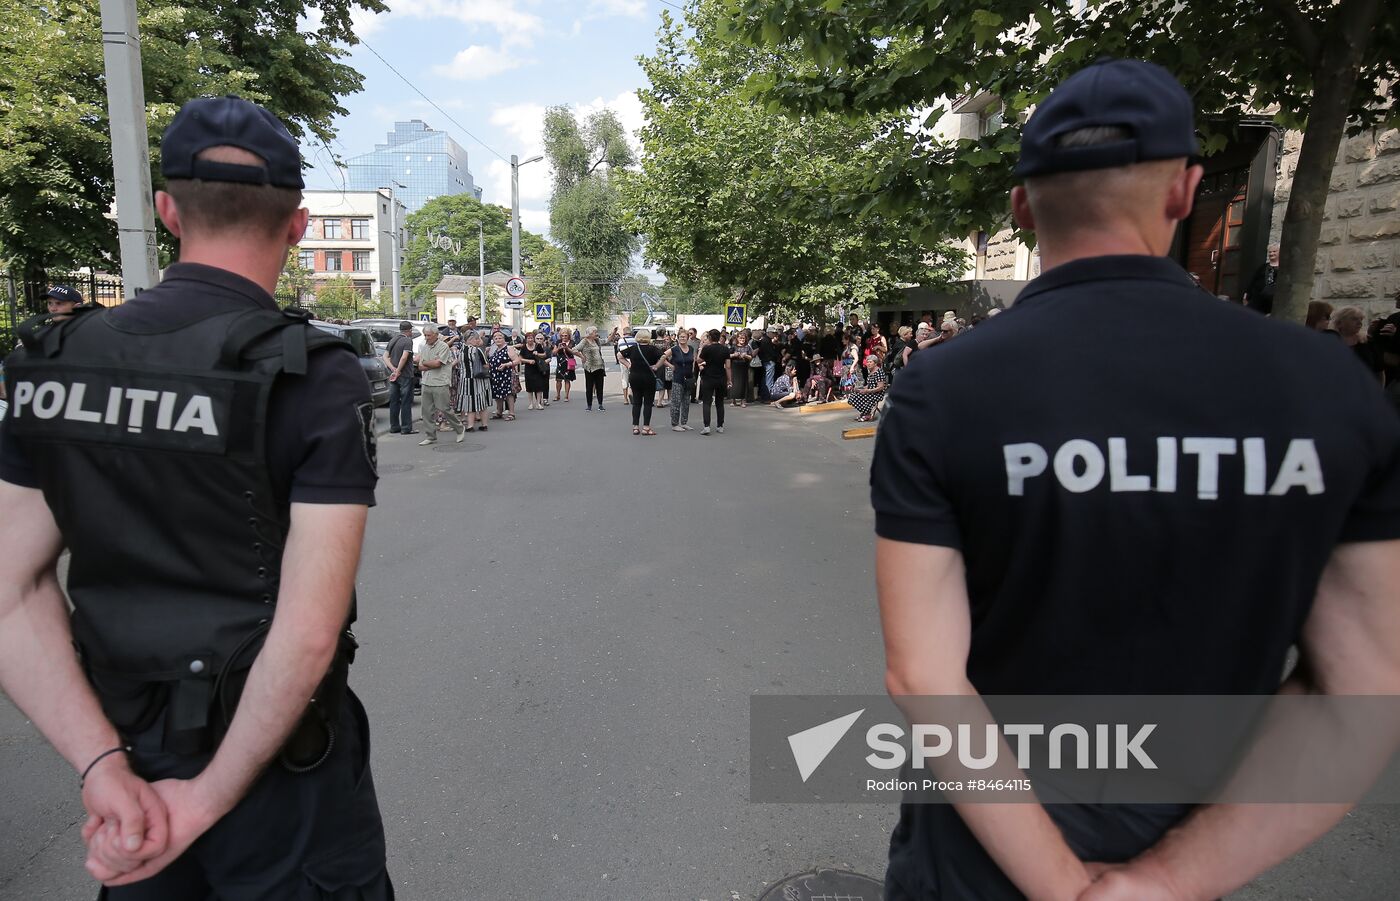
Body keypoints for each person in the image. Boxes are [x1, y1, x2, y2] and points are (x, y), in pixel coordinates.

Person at [872, 59, 1400, 901]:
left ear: (1020, 204)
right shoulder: (1333, 388)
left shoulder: (945, 388)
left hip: (975, 865)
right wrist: (1161, 883)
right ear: (1186, 191)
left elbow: (925, 679)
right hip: (1184, 852)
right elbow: (1361, 689)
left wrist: (1059, 885)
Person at [0, 95, 392, 897]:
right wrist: (206, 799)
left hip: (130, 770)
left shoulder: (54, 362)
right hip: (284, 780)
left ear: (167, 210)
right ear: (298, 224)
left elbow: (10, 586)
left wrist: (102, 766)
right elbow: (309, 630)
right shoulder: (311, 377)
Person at [415, 325, 467, 445]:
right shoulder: (425, 347)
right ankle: (431, 436)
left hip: (440, 382)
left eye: (429, 335)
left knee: (444, 408)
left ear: (436, 335)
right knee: (426, 411)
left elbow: (437, 364)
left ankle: (459, 429)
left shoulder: (443, 346)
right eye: (425, 335)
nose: (426, 338)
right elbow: (420, 366)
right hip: (426, 381)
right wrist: (429, 363)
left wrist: (427, 363)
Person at [620, 329, 663, 436]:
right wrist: (656, 366)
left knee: (637, 402)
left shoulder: (633, 349)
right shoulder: (653, 349)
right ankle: (646, 427)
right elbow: (663, 356)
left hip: (635, 377)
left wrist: (628, 365)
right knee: (648, 403)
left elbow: (619, 356)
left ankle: (635, 427)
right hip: (649, 378)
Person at [1329, 305, 1384, 383]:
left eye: (1361, 319)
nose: (1359, 322)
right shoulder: (1329, 342)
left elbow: (1379, 371)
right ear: (1339, 323)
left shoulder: (1367, 342)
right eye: (1354, 319)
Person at [658, 329, 696, 431]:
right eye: (680, 337)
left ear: (687, 338)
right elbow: (662, 357)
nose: (682, 338)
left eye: (684, 337)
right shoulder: (674, 349)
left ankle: (684, 422)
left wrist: (692, 372)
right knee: (676, 401)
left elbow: (693, 361)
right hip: (678, 378)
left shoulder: (691, 348)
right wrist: (670, 365)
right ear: (678, 338)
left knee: (686, 401)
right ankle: (675, 424)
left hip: (688, 378)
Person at [696, 329, 732, 435]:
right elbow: (728, 366)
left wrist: (701, 347)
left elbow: (698, 360)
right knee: (719, 402)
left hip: (708, 377)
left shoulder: (707, 349)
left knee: (707, 402)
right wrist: (729, 380)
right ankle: (720, 426)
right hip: (721, 377)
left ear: (710, 338)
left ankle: (706, 426)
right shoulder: (725, 349)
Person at [385, 320, 416, 435]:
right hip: (405, 375)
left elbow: (385, 356)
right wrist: (398, 370)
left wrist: (392, 369)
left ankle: (394, 427)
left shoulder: (393, 339)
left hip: (393, 375)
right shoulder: (407, 341)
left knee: (394, 401)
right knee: (405, 401)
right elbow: (404, 357)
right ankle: (406, 428)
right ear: (409, 330)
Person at [459, 330, 493, 432]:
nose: (478, 340)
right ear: (470, 340)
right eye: (476, 339)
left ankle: (470, 425)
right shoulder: (477, 351)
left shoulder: (461, 350)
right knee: (481, 402)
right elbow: (486, 365)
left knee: (470, 403)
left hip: (465, 380)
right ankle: (484, 424)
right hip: (478, 379)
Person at [571, 326, 608, 412]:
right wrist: (581, 356)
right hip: (589, 367)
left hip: (599, 366)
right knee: (589, 386)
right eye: (595, 332)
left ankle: (600, 404)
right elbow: (574, 350)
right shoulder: (584, 341)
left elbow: (606, 340)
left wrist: (613, 333)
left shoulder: (597, 340)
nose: (597, 334)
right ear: (590, 334)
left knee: (600, 386)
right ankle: (589, 405)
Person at [488, 331, 521, 421]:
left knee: (509, 393)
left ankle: (511, 413)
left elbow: (517, 360)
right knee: (498, 393)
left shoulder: (508, 348)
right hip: (496, 375)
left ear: (504, 339)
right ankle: (499, 412)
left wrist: (507, 364)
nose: (498, 339)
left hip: (507, 374)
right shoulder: (494, 349)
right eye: (495, 338)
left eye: (500, 338)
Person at [846, 354, 887, 422]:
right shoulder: (870, 371)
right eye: (867, 362)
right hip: (870, 391)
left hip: (877, 393)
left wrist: (868, 391)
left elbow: (881, 387)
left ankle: (867, 414)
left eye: (870, 362)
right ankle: (865, 412)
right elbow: (869, 384)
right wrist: (861, 389)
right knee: (852, 396)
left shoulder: (879, 372)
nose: (868, 364)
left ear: (875, 363)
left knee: (858, 397)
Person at [1242, 243, 1280, 313]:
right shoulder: (1263, 267)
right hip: (1257, 299)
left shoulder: (1283, 269)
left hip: (1272, 302)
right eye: (1270, 252)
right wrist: (1246, 294)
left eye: (1274, 251)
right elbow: (1253, 281)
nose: (1271, 254)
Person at [521, 331, 550, 411]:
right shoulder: (524, 347)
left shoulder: (538, 346)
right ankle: (530, 403)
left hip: (538, 368)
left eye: (531, 338)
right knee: (529, 386)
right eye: (528, 338)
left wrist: (537, 354)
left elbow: (544, 355)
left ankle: (538, 403)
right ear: (526, 339)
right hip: (528, 369)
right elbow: (520, 358)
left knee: (539, 386)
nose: (530, 340)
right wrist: (528, 361)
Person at [729, 331, 754, 407]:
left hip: (744, 367)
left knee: (743, 383)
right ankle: (733, 400)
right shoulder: (733, 346)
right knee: (734, 383)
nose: (742, 339)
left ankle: (743, 401)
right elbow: (728, 355)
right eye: (740, 338)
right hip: (735, 366)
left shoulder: (748, 347)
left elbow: (751, 357)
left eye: (743, 338)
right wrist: (734, 355)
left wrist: (745, 355)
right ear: (737, 338)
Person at [553, 335, 576, 402]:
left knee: (567, 380)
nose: (564, 337)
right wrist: (558, 348)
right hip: (560, 362)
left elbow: (574, 352)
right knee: (558, 380)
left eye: (566, 335)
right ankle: (558, 395)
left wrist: (566, 348)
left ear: (568, 335)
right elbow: (554, 352)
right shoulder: (558, 342)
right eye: (562, 335)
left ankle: (566, 396)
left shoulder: (572, 342)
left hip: (569, 362)